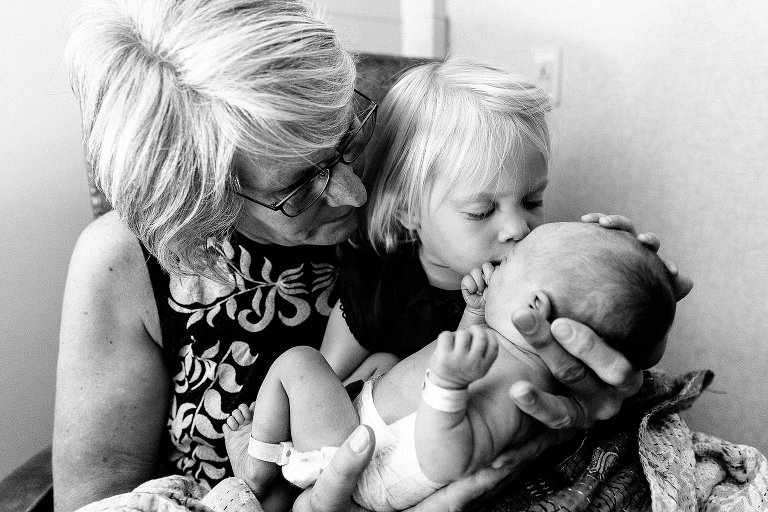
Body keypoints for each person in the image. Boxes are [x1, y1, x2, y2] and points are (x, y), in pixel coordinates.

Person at [54, 2, 689, 512]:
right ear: (204, 203)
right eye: (299, 186)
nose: (356, 192)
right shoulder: (123, 263)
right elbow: (102, 502)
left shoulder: (434, 183)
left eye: (345, 136)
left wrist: (612, 299)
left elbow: (550, 380)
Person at [221, 222, 676, 511]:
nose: (496, 264)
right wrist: (475, 313)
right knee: (383, 362)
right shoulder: (517, 357)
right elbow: (463, 356)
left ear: (535, 306)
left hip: (360, 463)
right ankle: (283, 477)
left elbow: (448, 459)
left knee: (300, 362)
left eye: (508, 264)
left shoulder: (518, 390)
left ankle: (259, 461)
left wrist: (446, 385)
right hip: (369, 437)